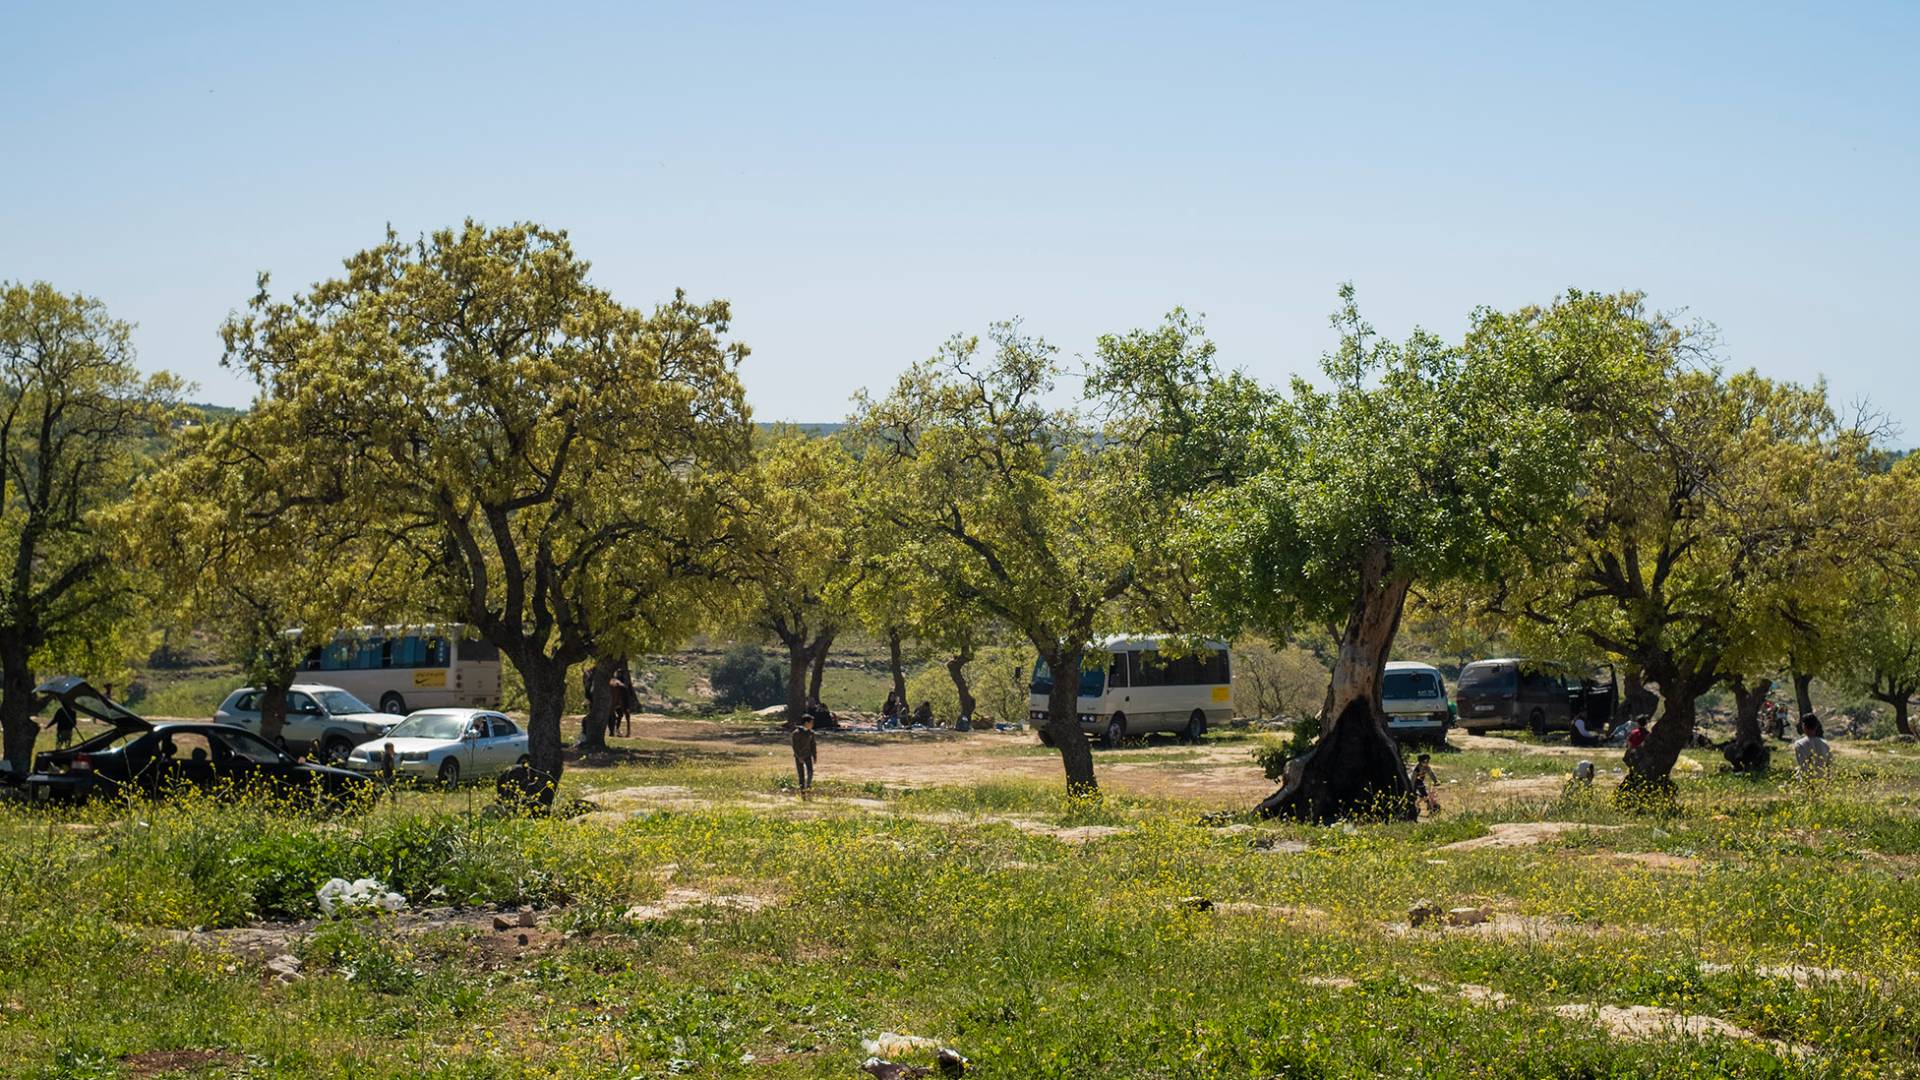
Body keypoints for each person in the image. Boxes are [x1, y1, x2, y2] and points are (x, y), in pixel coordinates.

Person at [1793, 715, 1832, 779]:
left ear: (1804, 726)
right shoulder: (1825, 744)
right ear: (1816, 727)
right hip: (1822, 781)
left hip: (1807, 781)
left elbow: (1803, 765)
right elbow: (1829, 765)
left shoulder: (1800, 744)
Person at [790, 714, 817, 795]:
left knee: (810, 772)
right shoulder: (797, 733)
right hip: (799, 756)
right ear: (806, 723)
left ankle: (808, 787)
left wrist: (814, 755)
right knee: (801, 774)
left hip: (808, 755)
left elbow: (813, 745)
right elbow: (795, 746)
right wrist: (799, 756)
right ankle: (802, 791)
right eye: (811, 723)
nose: (812, 724)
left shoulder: (811, 733)